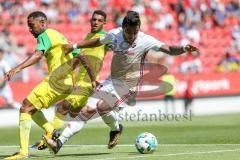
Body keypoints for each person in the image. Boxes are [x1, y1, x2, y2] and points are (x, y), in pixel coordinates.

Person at [44, 10, 199, 154]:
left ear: (138, 27)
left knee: (102, 106)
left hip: (129, 85)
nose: (131, 36)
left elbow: (168, 49)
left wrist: (184, 48)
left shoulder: (145, 40)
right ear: (123, 27)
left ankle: (115, 129)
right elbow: (98, 42)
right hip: (111, 80)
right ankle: (59, 144)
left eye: (134, 32)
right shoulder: (115, 34)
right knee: (86, 111)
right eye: (128, 32)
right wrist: (75, 45)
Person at [3, 11, 95, 160]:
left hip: (56, 81)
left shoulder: (44, 35)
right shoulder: (59, 36)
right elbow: (81, 55)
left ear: (43, 23)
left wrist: (16, 68)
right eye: (28, 26)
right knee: (31, 108)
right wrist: (92, 79)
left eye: (32, 26)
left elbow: (38, 55)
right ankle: (51, 131)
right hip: (67, 84)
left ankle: (23, 152)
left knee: (25, 107)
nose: (30, 30)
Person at [32, 10, 109, 151]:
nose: (95, 22)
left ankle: (49, 138)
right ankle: (54, 142)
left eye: (99, 20)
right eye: (93, 19)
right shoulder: (88, 36)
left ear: (105, 22)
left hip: (88, 82)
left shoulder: (105, 37)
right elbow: (80, 59)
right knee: (74, 115)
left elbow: (118, 48)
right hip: (80, 80)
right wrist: (72, 76)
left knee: (63, 107)